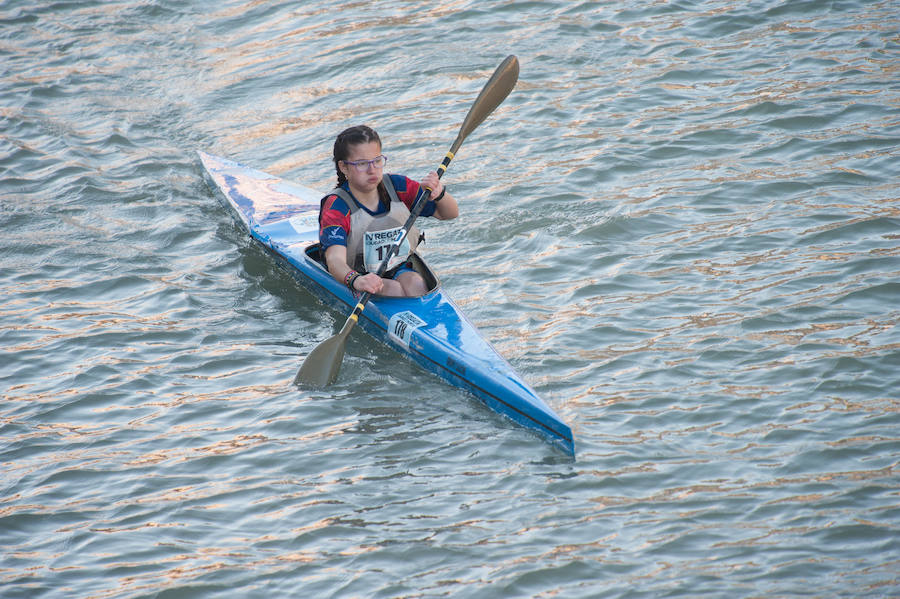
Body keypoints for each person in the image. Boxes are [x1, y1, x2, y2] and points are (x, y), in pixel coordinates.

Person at [318, 125, 458, 297]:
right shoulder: (337, 206)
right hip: (358, 276)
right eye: (362, 164)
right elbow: (334, 260)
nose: (372, 170)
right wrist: (356, 280)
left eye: (377, 161)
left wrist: (440, 194)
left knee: (417, 283)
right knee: (394, 290)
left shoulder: (399, 187)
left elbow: (449, 213)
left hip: (398, 267)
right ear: (343, 167)